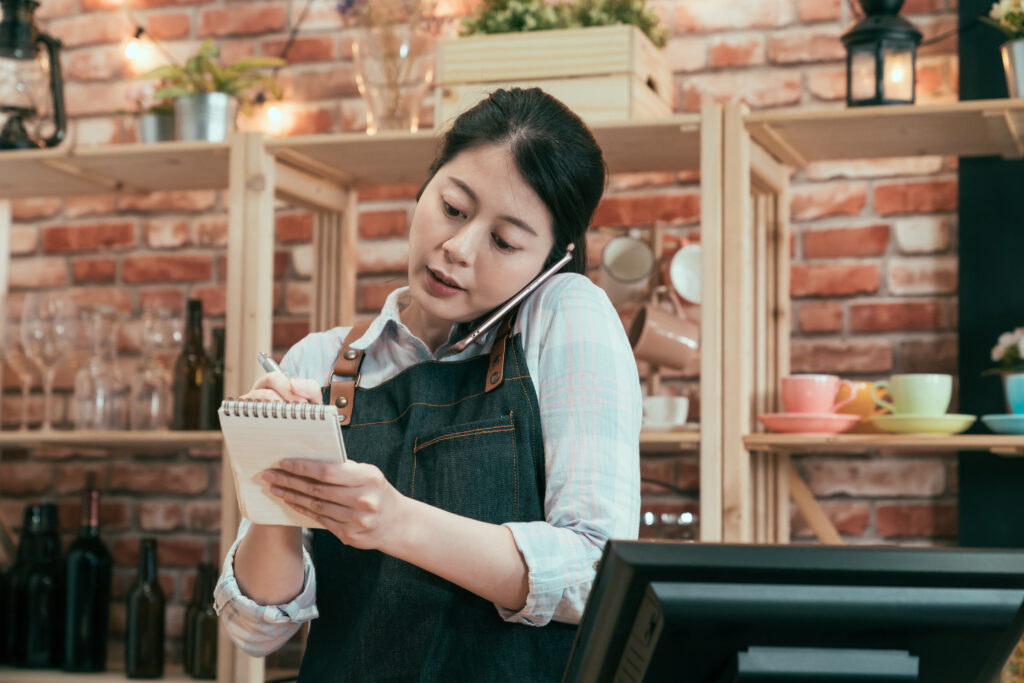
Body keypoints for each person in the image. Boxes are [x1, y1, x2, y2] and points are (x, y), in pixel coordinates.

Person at [214, 87, 641, 682]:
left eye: (505, 241)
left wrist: (395, 522)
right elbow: (256, 630)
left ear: (551, 261)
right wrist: (276, 495)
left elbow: (598, 574)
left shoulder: (566, 315)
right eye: (454, 208)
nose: (457, 249)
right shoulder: (323, 361)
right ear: (427, 183)